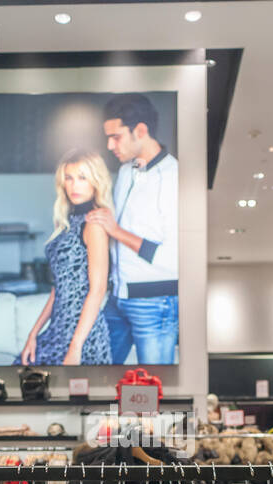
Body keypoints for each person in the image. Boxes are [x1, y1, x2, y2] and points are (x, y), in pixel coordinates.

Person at [89, 93, 179, 364]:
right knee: (96, 369)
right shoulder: (127, 170)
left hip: (155, 303)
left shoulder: (174, 178)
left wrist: (116, 231)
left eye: (116, 137)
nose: (109, 145)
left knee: (154, 389)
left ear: (140, 130)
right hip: (118, 296)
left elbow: (174, 259)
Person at [18, 149, 114, 366]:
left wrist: (76, 346)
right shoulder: (66, 224)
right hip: (57, 329)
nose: (74, 185)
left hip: (83, 334)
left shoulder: (94, 224)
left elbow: (97, 290)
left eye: (82, 178)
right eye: (69, 178)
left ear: (95, 181)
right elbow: (59, 288)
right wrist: (33, 334)